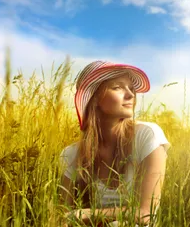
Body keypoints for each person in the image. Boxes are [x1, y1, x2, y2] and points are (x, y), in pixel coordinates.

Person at [59, 61, 170, 226]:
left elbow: (146, 214)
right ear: (94, 98)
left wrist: (88, 213)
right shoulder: (71, 154)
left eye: (131, 88)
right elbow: (62, 216)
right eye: (117, 87)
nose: (131, 95)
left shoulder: (147, 136)